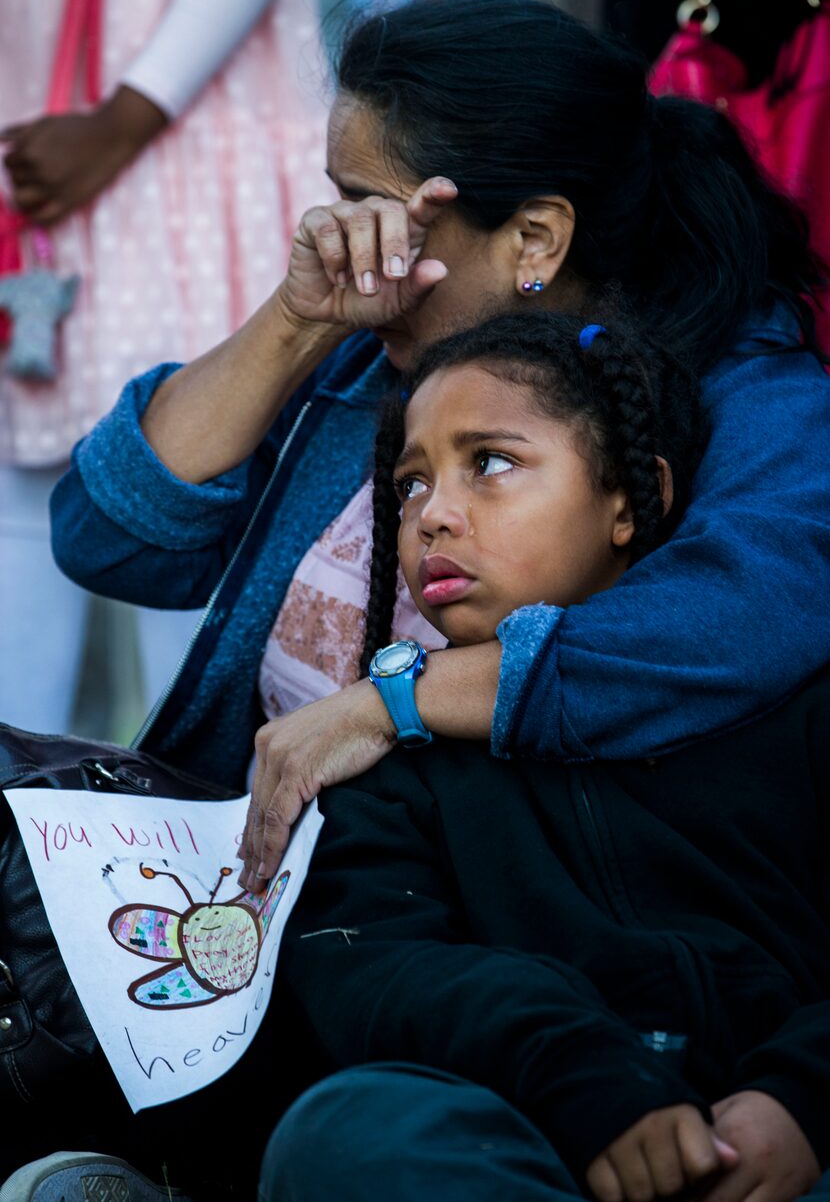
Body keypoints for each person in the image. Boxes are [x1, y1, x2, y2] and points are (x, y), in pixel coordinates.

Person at [48, 0, 830, 890]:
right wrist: (297, 321)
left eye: (367, 206)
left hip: (492, 948)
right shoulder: (372, 349)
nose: (343, 237)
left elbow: (742, 617)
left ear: (534, 237)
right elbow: (107, 542)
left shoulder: (747, 399)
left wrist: (391, 706)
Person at [261, 311, 830, 1201]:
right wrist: (586, 1081)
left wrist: (801, 1100)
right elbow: (368, 969)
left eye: (490, 462)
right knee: (343, 1132)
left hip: (789, 1147)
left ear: (627, 499)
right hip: (539, 1140)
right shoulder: (388, 764)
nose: (433, 516)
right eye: (411, 486)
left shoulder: (782, 708)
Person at [0, 0, 331, 733]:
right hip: (32, 165)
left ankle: (196, 821)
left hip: (184, 151)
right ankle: (20, 819)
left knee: (201, 485)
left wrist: (125, 118)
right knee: (22, 478)